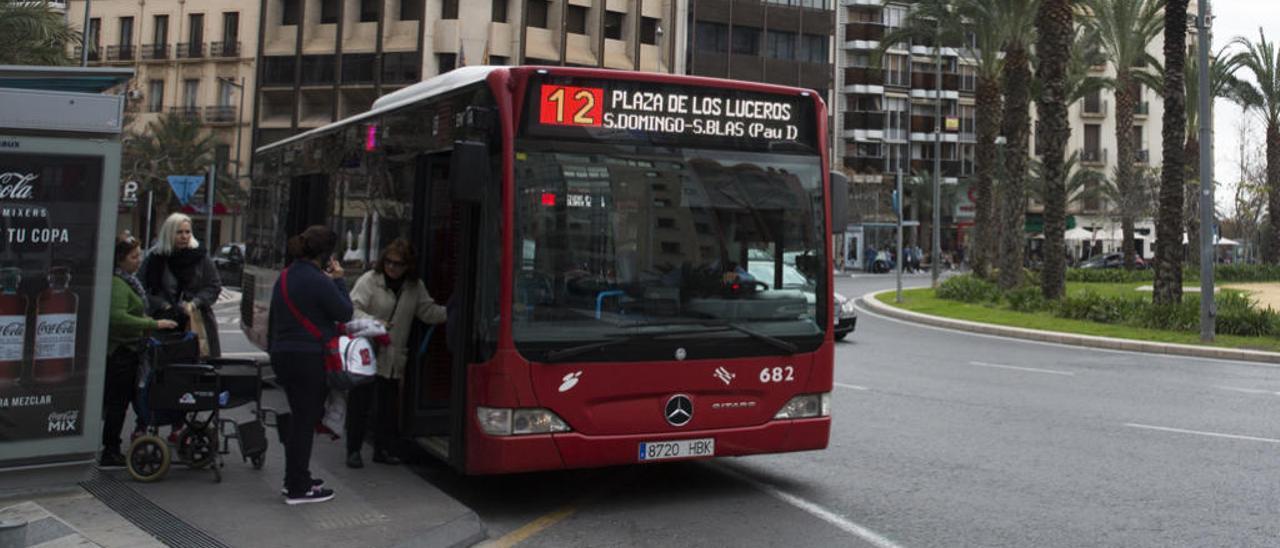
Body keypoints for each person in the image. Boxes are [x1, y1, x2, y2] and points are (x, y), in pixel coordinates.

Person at [345, 239, 447, 468]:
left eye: (398, 264)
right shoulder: (370, 280)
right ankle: (353, 450)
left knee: (387, 407)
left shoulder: (414, 286)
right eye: (389, 262)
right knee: (360, 403)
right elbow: (352, 309)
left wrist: (453, 312)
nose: (392, 267)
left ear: (408, 266)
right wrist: (374, 322)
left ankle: (382, 449)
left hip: (392, 355)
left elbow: (427, 311)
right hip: (366, 352)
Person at [269, 225, 351, 504]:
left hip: (283, 355)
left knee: (299, 418)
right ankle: (298, 487)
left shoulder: (285, 276)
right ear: (326, 256)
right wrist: (339, 280)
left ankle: (294, 478)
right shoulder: (320, 281)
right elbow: (344, 312)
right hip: (308, 358)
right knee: (305, 421)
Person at [101, 235, 179, 468]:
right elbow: (117, 318)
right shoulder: (117, 284)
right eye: (134, 256)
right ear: (121, 260)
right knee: (118, 403)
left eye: (139, 255)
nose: (138, 260)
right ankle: (110, 450)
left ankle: (116, 444)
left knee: (126, 401)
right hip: (121, 352)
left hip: (130, 349)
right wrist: (153, 324)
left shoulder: (128, 281)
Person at [140, 213, 222, 357]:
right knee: (163, 366)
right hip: (162, 322)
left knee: (198, 367)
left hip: (196, 320)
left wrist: (195, 303)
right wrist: (161, 304)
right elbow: (140, 288)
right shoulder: (155, 258)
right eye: (179, 232)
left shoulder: (200, 256)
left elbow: (213, 285)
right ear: (169, 233)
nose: (184, 236)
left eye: (187, 232)